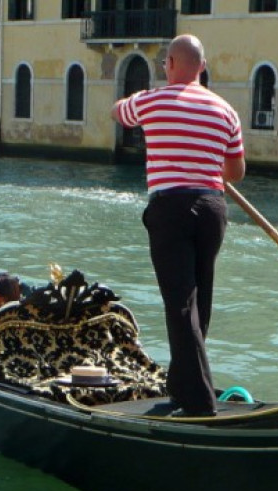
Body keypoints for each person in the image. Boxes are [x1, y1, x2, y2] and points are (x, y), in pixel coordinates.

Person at [111, 34, 246, 417]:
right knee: (200, 301)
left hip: (170, 207)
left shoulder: (152, 101)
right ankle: (184, 388)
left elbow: (118, 112)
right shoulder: (226, 111)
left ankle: (200, 401)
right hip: (212, 206)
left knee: (180, 304)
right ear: (202, 68)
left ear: (169, 64)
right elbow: (235, 172)